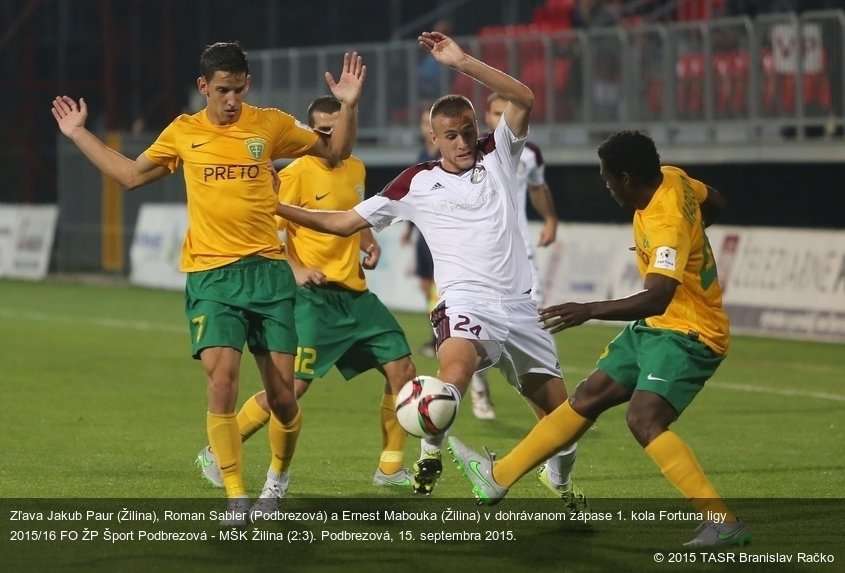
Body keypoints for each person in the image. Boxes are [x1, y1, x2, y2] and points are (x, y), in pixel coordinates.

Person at [51, 42, 365, 525]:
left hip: (267, 273)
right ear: (204, 87)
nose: (232, 100)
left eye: (239, 90)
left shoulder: (272, 125)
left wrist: (348, 104)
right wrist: (78, 134)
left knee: (283, 396)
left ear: (248, 86)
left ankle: (276, 483)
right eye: (223, 91)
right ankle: (236, 498)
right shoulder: (183, 132)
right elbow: (130, 176)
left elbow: (337, 149)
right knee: (221, 383)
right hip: (211, 275)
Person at [274, 30, 587, 508]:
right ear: (434, 137)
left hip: (522, 309)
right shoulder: (415, 182)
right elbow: (341, 222)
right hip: (466, 303)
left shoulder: (499, 154)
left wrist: (462, 62)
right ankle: (431, 452)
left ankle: (557, 479)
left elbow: (523, 96)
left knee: (566, 425)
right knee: (453, 373)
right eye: (451, 135)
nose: (462, 141)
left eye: (467, 129)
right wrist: (279, 208)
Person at [448, 130, 752, 549]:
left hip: (689, 333)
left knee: (644, 421)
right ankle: (496, 480)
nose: (606, 186)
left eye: (609, 180)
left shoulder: (666, 221)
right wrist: (693, 240)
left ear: (627, 178)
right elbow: (714, 200)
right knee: (587, 397)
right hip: (657, 329)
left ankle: (723, 522)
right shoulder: (673, 177)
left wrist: (588, 310)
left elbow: (657, 296)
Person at [196, 95, 417, 493]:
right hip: (314, 300)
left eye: (338, 126)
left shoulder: (356, 167)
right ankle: (216, 451)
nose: (330, 135)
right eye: (322, 129)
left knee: (402, 367)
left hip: (355, 295)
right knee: (290, 391)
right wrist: (295, 268)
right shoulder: (296, 172)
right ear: (312, 131)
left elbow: (353, 213)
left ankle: (390, 467)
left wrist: (368, 240)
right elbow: (264, 224)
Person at [468, 92, 560, 420]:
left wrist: (549, 218)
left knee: (542, 323)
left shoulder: (530, 153)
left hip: (522, 255)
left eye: (504, 112)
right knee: (475, 328)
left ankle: (557, 407)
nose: (499, 118)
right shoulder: (472, 152)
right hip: (482, 260)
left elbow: (538, 187)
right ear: (486, 115)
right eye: (494, 112)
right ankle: (479, 390)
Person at [401, 104, 440, 357]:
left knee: (440, 287)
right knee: (427, 287)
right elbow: (415, 195)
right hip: (422, 235)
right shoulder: (421, 154)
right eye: (424, 122)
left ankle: (444, 337)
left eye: (431, 122)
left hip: (439, 234)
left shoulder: (445, 155)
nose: (428, 127)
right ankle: (434, 336)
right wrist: (408, 228)